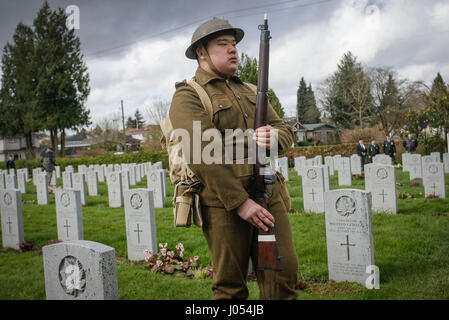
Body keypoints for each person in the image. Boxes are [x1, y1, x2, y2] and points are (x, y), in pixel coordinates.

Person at [168, 17, 298, 300]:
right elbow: (202, 153)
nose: (233, 50)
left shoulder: (252, 90)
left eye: (235, 44)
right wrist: (240, 203)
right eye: (223, 44)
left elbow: (285, 130)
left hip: (268, 192)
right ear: (201, 52)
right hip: (223, 203)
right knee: (231, 288)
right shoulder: (188, 96)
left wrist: (274, 139)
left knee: (283, 280)